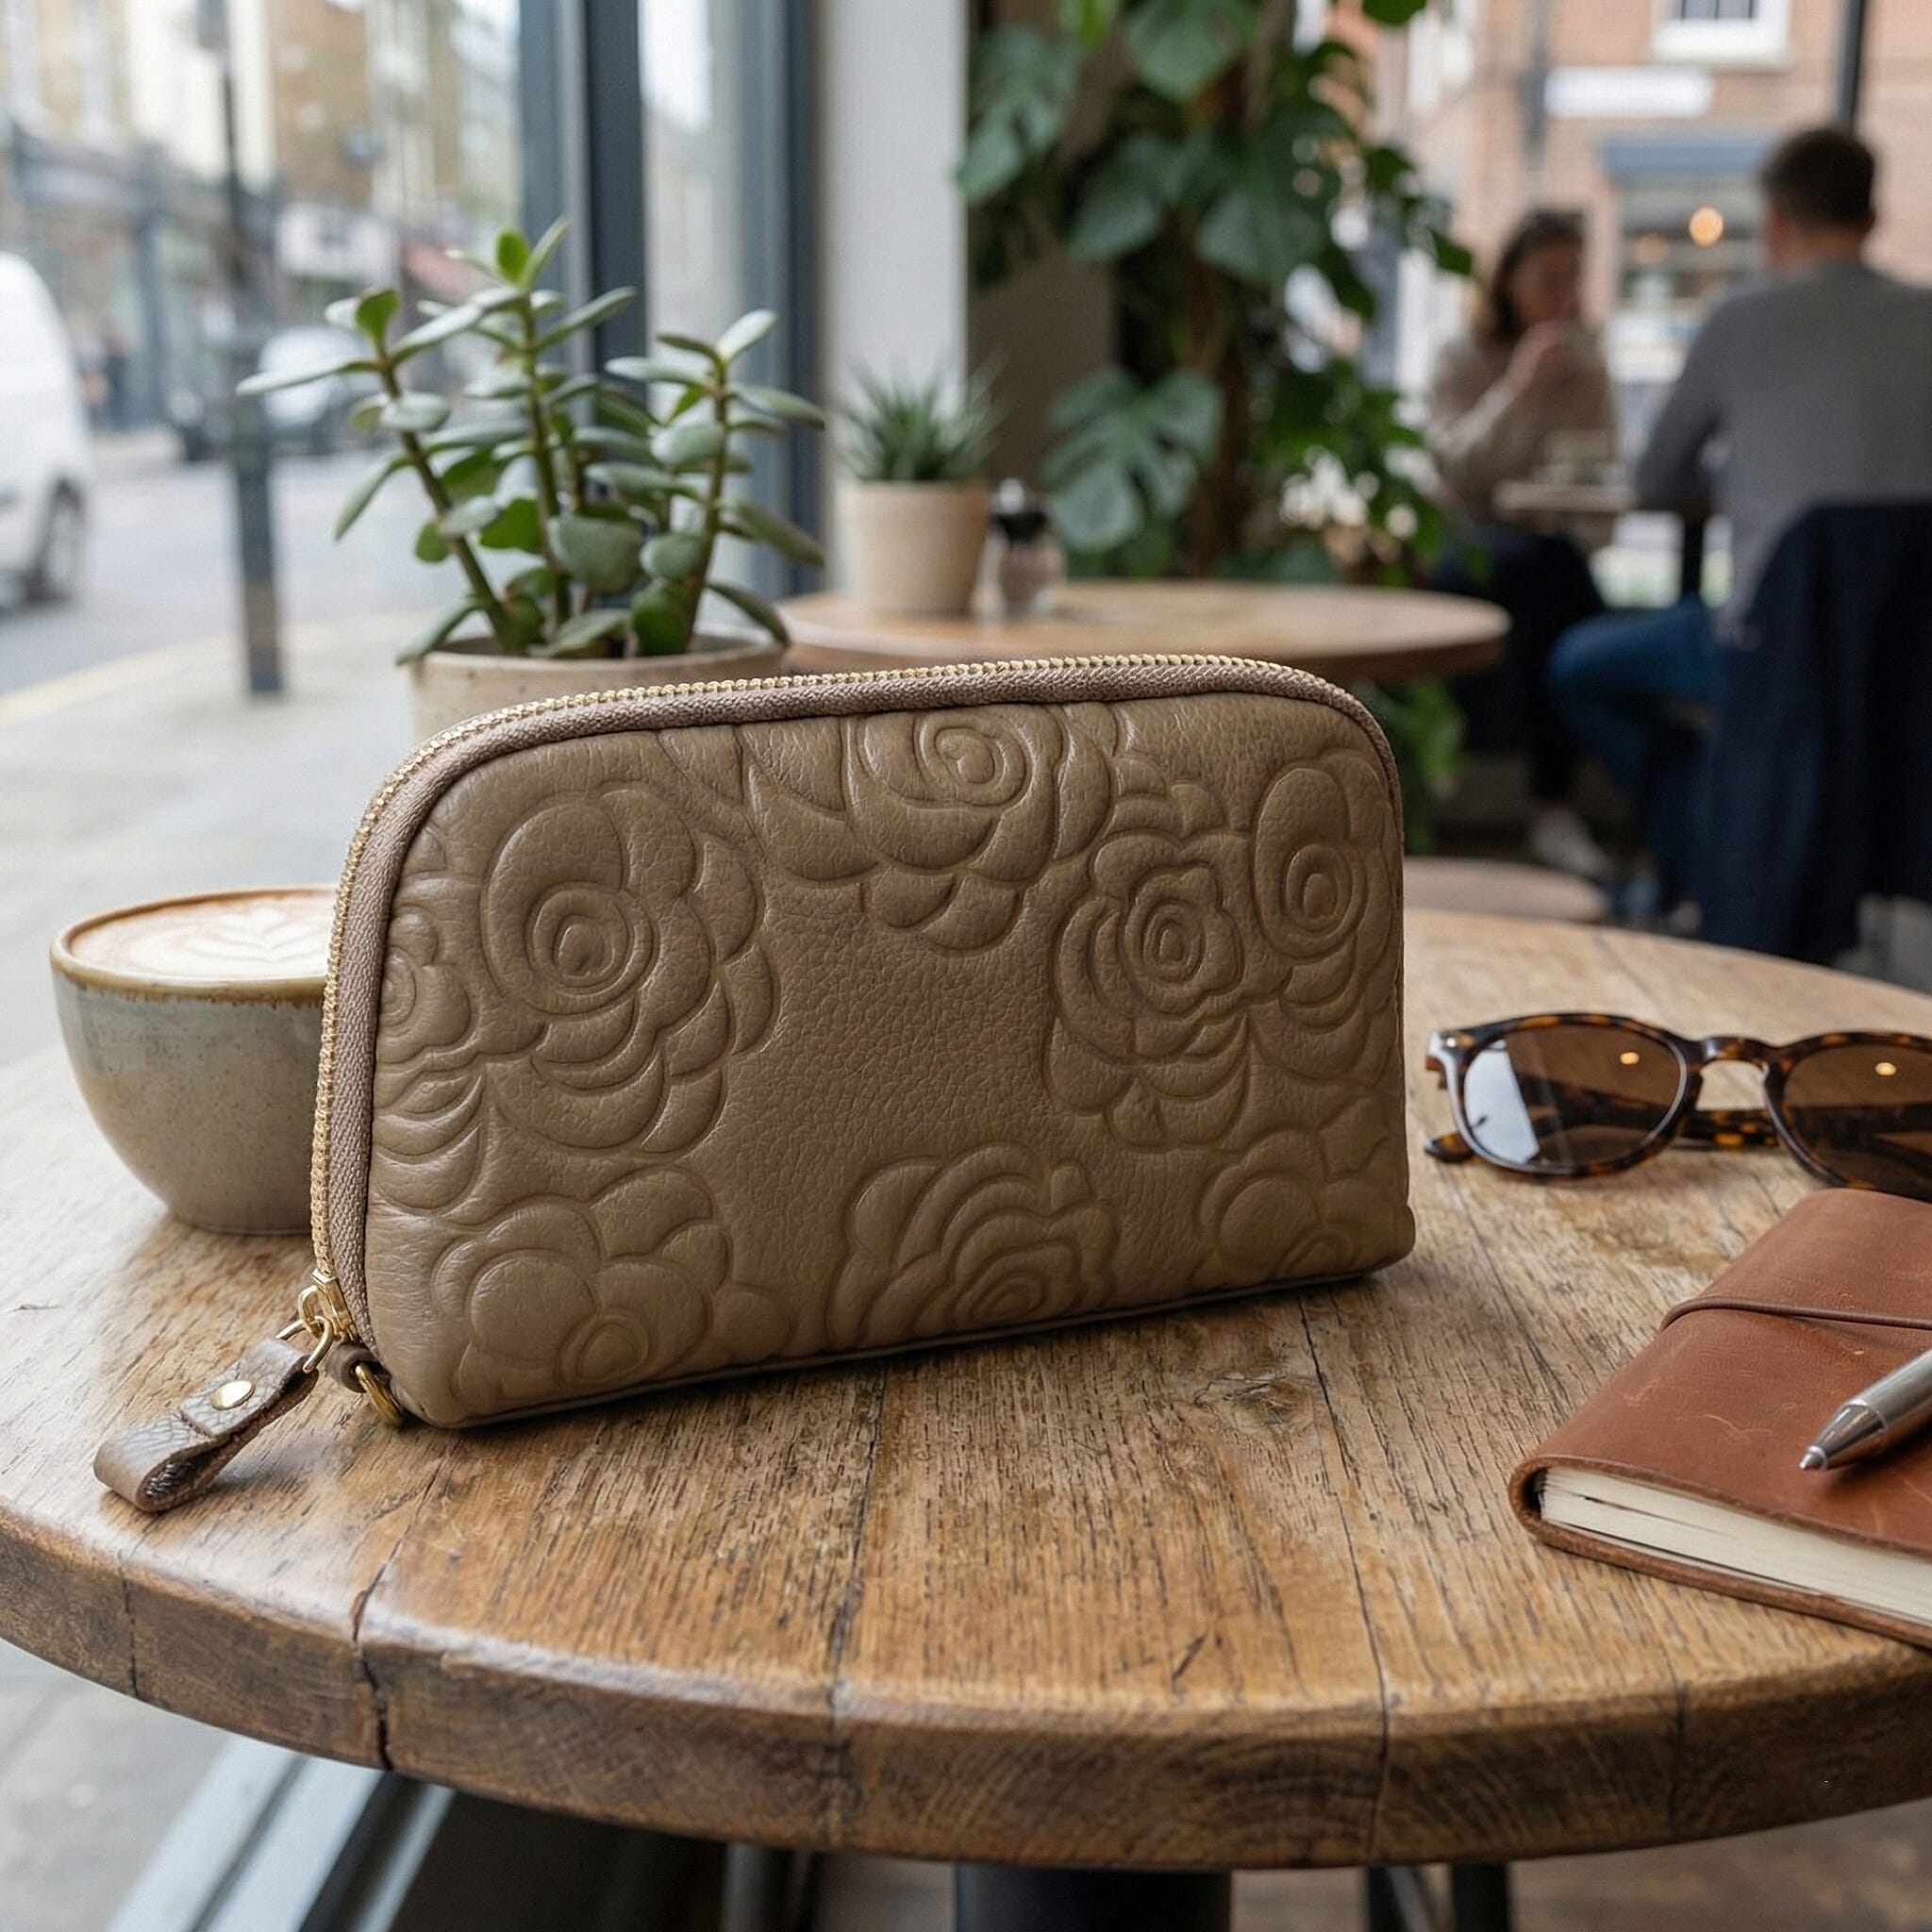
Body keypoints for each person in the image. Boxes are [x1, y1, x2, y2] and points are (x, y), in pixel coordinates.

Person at [1550, 125, 1932, 902]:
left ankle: (1711, 848)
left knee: (1579, 666)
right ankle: (1745, 835)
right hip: (1908, 657)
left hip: (1767, 647)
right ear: (1872, 216)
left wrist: (1741, 476)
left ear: (1778, 221)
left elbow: (1657, 481)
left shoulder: (1740, 318)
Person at [1427, 208, 1619, 880]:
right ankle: (1554, 808)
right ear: (1507, 281)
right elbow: (1459, 472)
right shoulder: (1463, 359)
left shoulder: (1587, 368)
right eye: (1547, 278)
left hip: (1551, 554)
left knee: (1556, 590)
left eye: (1574, 278)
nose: (1563, 296)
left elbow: (1601, 492)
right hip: (1467, 548)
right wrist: (1518, 389)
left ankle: (1558, 809)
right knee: (1558, 593)